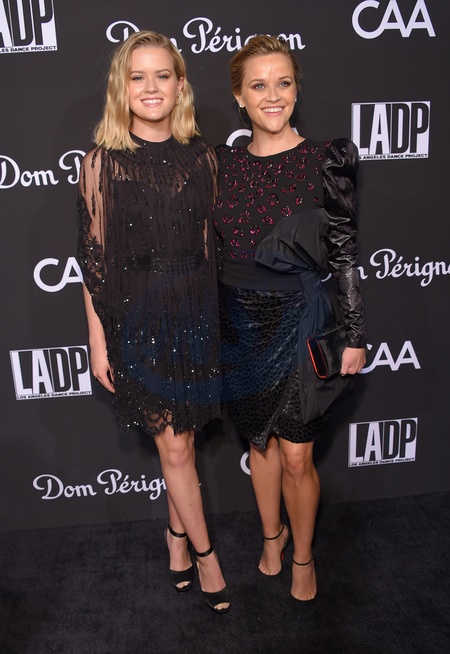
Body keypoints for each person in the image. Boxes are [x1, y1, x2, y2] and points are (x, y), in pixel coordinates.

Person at [77, 31, 230, 614]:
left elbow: (212, 249)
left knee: (182, 440)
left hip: (196, 312)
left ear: (179, 84)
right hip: (138, 320)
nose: (150, 87)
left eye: (162, 75)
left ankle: (175, 541)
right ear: (122, 87)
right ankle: (208, 557)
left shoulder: (203, 156)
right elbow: (92, 262)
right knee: (177, 448)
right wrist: (98, 342)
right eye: (137, 76)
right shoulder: (101, 163)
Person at [213, 35, 366, 601]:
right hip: (239, 323)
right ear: (239, 96)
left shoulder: (328, 159)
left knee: (298, 453)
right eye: (258, 85)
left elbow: (344, 253)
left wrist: (354, 333)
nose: (272, 96)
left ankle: (303, 556)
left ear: (297, 90)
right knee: (260, 445)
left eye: (283, 83)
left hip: (301, 319)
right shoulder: (223, 164)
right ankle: (271, 537)